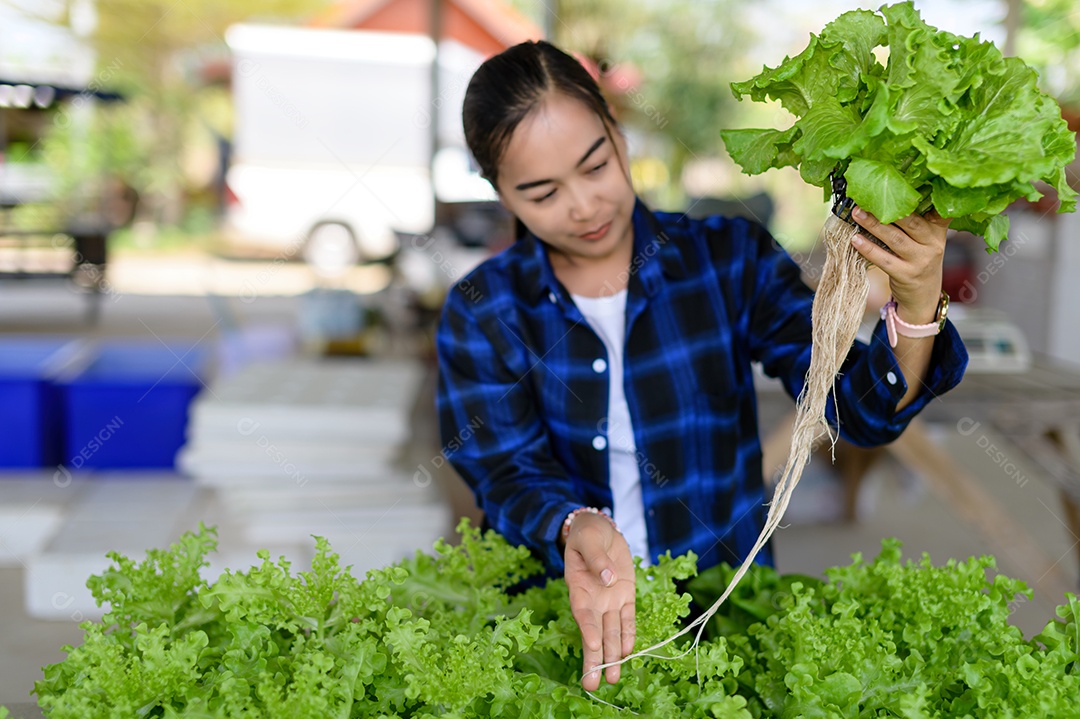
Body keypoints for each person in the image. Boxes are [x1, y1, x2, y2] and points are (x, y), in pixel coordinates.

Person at [435, 40, 968, 692]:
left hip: (720, 619)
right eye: (542, 192)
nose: (583, 205)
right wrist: (575, 523)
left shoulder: (727, 258)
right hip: (561, 629)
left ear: (617, 131)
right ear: (499, 192)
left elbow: (858, 410)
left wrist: (917, 303)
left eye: (595, 165)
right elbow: (502, 469)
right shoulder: (483, 307)